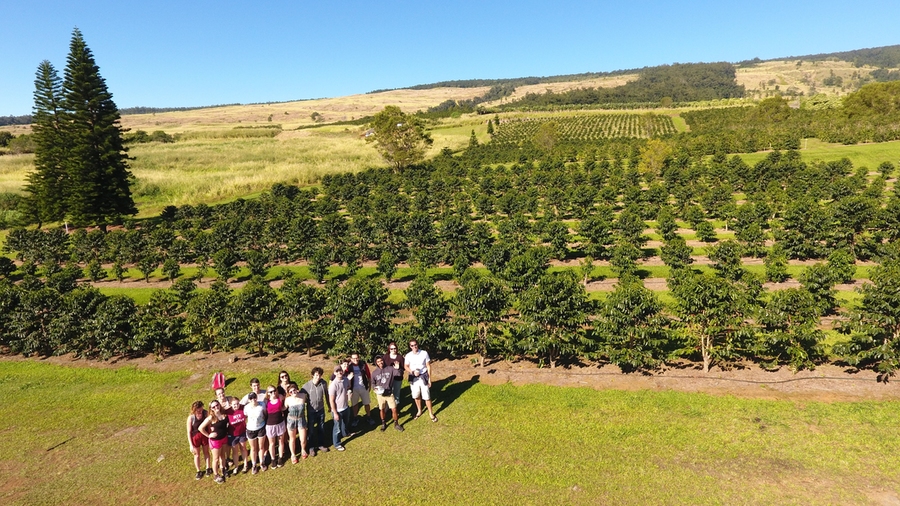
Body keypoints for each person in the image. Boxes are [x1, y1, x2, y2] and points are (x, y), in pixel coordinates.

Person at [405, 339, 437, 423]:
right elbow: (406, 366)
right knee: (416, 395)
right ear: (410, 346)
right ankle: (419, 410)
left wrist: (430, 379)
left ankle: (431, 413)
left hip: (423, 377)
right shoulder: (408, 356)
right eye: (412, 345)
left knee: (427, 396)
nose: (414, 346)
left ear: (417, 344)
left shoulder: (424, 353)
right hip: (413, 378)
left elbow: (428, 366)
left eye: (415, 344)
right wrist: (412, 372)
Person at [199, 400, 230, 484]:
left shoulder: (223, 413)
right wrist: (209, 435)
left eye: (217, 405)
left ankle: (223, 469)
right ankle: (216, 475)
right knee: (216, 459)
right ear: (211, 409)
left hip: (224, 438)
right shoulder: (211, 417)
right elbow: (200, 428)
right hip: (215, 441)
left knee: (223, 456)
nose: (216, 407)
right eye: (213, 407)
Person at [301, 367, 329, 457]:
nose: (318, 377)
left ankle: (321, 444)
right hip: (311, 411)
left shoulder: (323, 384)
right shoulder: (306, 386)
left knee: (321, 427)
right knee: (311, 429)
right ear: (312, 375)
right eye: (316, 375)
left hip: (321, 410)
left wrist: (329, 406)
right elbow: (300, 396)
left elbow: (327, 395)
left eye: (320, 375)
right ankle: (311, 447)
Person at [371, 355, 404, 432]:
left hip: (389, 393)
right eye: (378, 361)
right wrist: (374, 388)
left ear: (383, 360)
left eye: (381, 360)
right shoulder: (374, 373)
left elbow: (399, 374)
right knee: (381, 409)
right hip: (380, 395)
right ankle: (383, 423)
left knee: (394, 409)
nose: (380, 363)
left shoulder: (390, 369)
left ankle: (396, 424)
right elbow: (372, 383)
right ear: (376, 363)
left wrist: (398, 368)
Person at [348, 353, 376, 427]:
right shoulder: (349, 366)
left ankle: (368, 417)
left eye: (357, 358)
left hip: (364, 387)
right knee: (354, 404)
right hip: (353, 389)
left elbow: (368, 375)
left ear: (359, 358)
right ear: (351, 359)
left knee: (366, 403)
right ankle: (355, 418)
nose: (355, 360)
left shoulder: (363, 364)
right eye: (353, 358)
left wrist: (370, 385)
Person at [242, 392, 268, 474]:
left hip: (261, 427)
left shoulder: (262, 405)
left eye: (254, 397)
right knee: (253, 448)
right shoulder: (246, 408)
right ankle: (254, 465)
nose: (253, 399)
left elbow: (265, 414)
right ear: (249, 400)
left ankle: (262, 462)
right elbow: (245, 416)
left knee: (261, 446)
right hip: (251, 429)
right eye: (251, 398)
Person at [186, 401, 212, 480]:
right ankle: (198, 470)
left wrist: (210, 436)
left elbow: (209, 426)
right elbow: (189, 431)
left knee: (206, 452)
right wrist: (191, 444)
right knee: (196, 454)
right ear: (194, 409)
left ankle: (208, 468)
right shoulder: (191, 417)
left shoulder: (205, 413)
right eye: (198, 410)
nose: (200, 411)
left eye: (201, 409)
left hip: (204, 435)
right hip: (195, 437)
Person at [328, 365, 351, 451]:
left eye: (340, 371)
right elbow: (331, 400)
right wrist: (335, 413)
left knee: (345, 423)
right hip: (338, 410)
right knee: (337, 428)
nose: (339, 372)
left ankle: (345, 434)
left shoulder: (345, 380)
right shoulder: (333, 385)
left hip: (345, 407)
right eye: (337, 371)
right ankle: (337, 444)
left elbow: (348, 387)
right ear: (334, 373)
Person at [285, 383, 309, 463]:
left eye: (294, 390)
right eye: (290, 392)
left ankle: (303, 450)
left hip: (301, 419)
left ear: (297, 389)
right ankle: (293, 455)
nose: (293, 392)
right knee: (292, 439)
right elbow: (283, 408)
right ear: (289, 393)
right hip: (291, 420)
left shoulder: (303, 396)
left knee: (302, 439)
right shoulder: (287, 400)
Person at [264, 385, 287, 468]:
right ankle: (273, 459)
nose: (273, 392)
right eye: (270, 391)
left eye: (274, 390)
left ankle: (280, 458)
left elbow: (286, 399)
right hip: (270, 425)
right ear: (268, 393)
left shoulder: (280, 398)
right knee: (272, 443)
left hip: (280, 423)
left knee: (281, 441)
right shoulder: (266, 401)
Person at [227, 397, 249, 474]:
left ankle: (245, 465)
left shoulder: (243, 408)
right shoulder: (228, 412)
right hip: (233, 435)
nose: (236, 406)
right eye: (234, 404)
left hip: (242, 432)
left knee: (243, 448)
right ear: (230, 405)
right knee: (235, 451)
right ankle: (236, 467)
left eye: (237, 403)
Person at [382, 342, 405, 409]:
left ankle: (394, 408)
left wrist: (398, 368)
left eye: (395, 348)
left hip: (397, 378)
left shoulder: (400, 357)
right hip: (388, 378)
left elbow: (403, 368)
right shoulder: (385, 357)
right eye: (391, 349)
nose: (393, 350)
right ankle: (386, 408)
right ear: (389, 349)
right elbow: (382, 366)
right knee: (387, 392)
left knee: (396, 393)